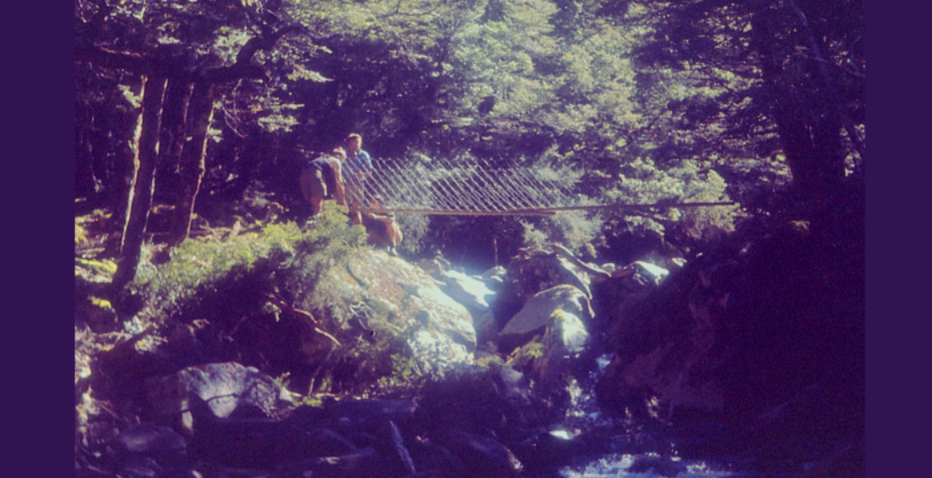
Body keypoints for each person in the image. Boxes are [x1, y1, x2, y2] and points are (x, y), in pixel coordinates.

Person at [299, 147, 347, 217]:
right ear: (340, 156)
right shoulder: (336, 161)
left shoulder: (324, 159)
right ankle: (318, 221)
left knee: (311, 202)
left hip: (304, 174)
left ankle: (309, 219)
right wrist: (342, 199)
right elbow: (339, 182)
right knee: (318, 200)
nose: (343, 161)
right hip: (316, 173)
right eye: (344, 158)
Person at [343, 133, 374, 224]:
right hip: (344, 183)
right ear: (349, 144)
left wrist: (363, 174)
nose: (355, 146)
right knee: (343, 208)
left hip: (357, 184)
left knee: (356, 209)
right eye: (352, 144)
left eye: (357, 144)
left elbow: (370, 172)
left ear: (361, 144)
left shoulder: (364, 155)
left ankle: (357, 229)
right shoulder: (343, 153)